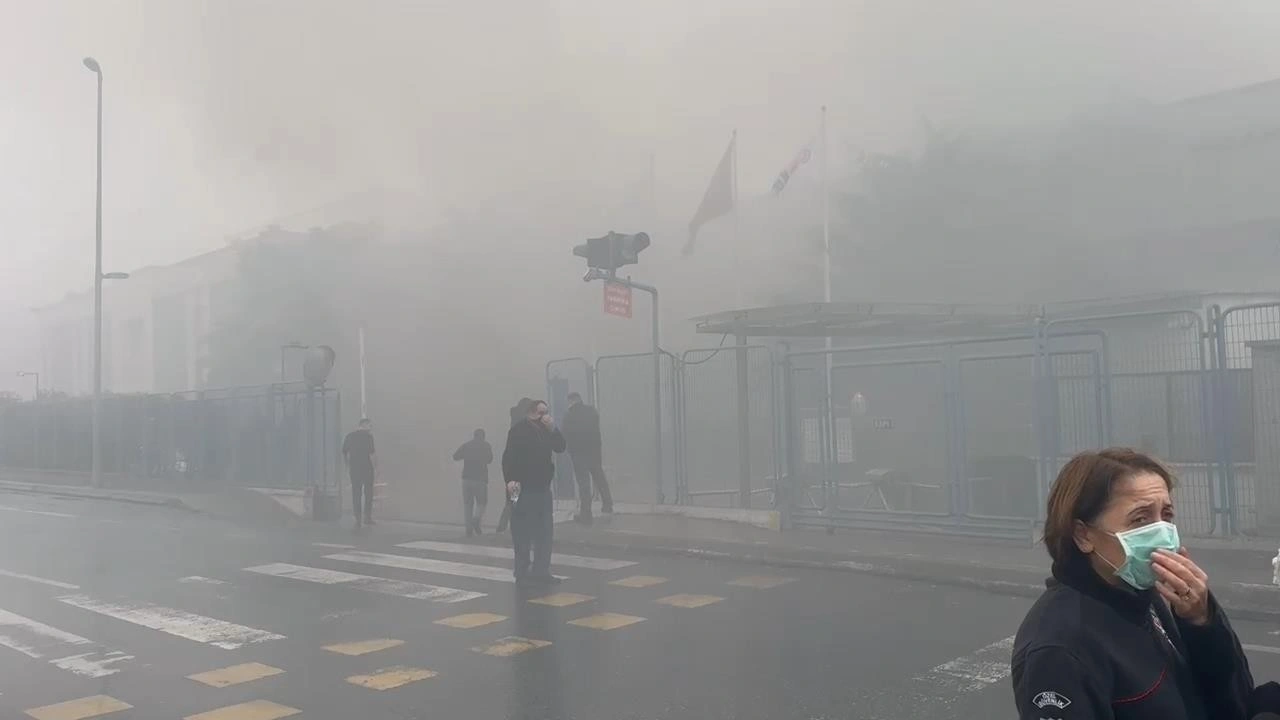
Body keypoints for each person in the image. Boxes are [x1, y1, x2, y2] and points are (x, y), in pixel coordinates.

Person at [1011, 448, 1254, 720]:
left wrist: (1201, 622)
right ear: (1082, 535)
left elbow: (1212, 693)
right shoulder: (1061, 649)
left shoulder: (1139, 592)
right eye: (1140, 519)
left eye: (1167, 515)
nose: (1161, 532)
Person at [502, 399, 566, 585]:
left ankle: (541, 571)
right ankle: (522, 573)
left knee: (545, 532)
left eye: (547, 412)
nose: (545, 416)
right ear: (531, 413)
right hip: (522, 488)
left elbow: (561, 447)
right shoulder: (518, 431)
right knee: (522, 532)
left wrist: (554, 429)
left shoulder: (547, 430)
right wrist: (510, 482)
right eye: (541, 412)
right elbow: (508, 458)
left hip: (542, 488)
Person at [561, 391, 612, 524]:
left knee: (584, 484)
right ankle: (608, 505)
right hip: (594, 452)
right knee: (600, 478)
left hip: (578, 454)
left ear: (571, 401)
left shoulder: (569, 416)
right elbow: (596, 433)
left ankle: (586, 513)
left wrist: (569, 450)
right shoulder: (592, 412)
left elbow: (565, 436)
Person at [496, 398, 534, 534]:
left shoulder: (515, 423)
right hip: (520, 468)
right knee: (519, 499)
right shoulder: (524, 425)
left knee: (512, 500)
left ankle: (503, 527)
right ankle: (516, 527)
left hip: (512, 469)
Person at [453, 428, 493, 536]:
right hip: (480, 479)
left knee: (468, 504)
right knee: (482, 502)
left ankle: (468, 530)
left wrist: (466, 456)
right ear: (483, 436)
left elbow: (455, 456)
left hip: (466, 478)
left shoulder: (467, 445)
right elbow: (490, 460)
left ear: (474, 436)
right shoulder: (486, 446)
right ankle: (476, 519)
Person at [341, 418, 378, 529]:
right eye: (369, 426)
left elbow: (344, 452)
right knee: (368, 493)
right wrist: (376, 468)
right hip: (367, 469)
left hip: (355, 469)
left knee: (356, 493)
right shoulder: (369, 437)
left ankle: (358, 518)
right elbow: (372, 454)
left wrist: (348, 466)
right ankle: (367, 517)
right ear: (364, 425)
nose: (370, 428)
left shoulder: (350, 436)